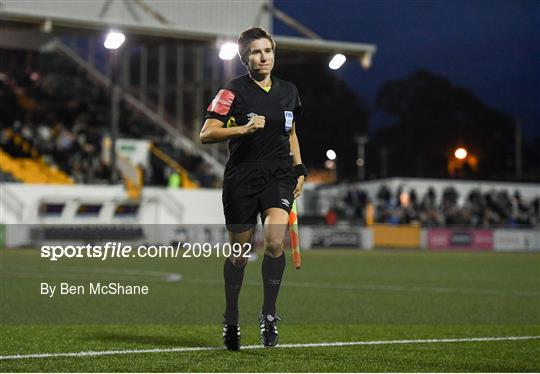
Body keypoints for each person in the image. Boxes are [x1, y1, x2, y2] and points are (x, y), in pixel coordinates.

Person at [200, 27, 307, 350]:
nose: (264, 57)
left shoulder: (289, 91)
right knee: (239, 256)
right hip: (242, 178)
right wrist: (244, 129)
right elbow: (206, 134)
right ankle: (231, 317)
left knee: (275, 243)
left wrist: (299, 168)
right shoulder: (230, 92)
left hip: (278, 175)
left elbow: (290, 132)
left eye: (268, 51)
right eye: (256, 52)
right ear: (244, 58)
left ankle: (269, 315)